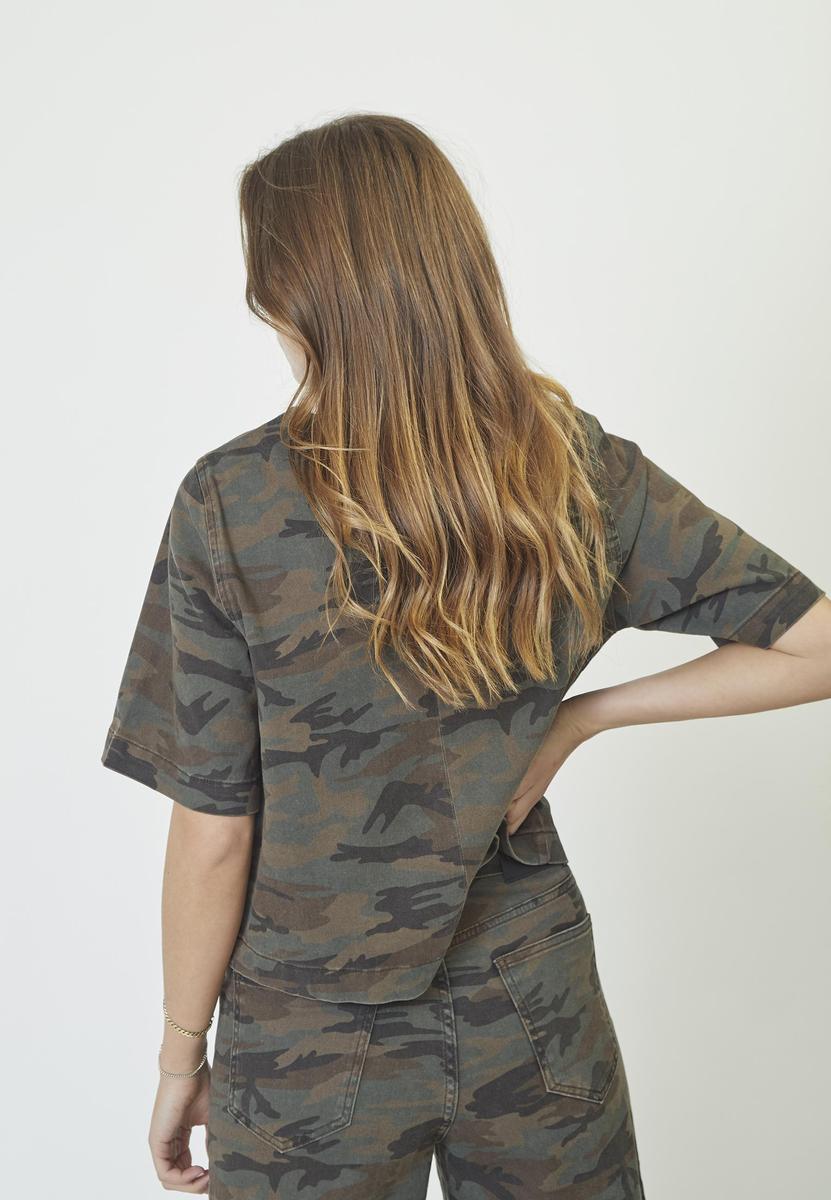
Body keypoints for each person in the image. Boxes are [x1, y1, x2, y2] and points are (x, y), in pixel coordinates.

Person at [101, 113, 831, 1199]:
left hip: (310, 1033)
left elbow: (214, 832)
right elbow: (816, 643)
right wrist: (577, 718)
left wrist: (178, 1057)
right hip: (530, 1001)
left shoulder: (230, 504)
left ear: (301, 295)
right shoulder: (573, 470)